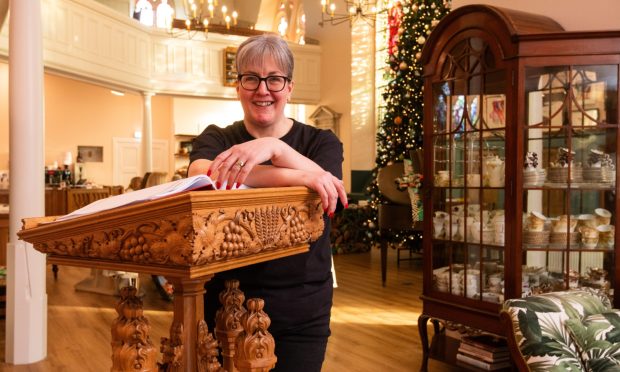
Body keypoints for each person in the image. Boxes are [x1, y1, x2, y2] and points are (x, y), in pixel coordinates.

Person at [188, 33, 347, 372]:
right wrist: (302, 176)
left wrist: (277, 150)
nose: (263, 90)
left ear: (289, 87)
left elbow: (332, 189)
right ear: (238, 86)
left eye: (274, 79)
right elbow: (203, 174)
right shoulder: (217, 137)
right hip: (225, 304)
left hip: (302, 307)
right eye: (251, 78)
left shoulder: (321, 141)